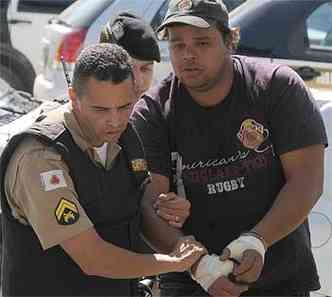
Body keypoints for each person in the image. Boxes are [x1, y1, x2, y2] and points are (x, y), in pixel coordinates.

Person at [130, 0, 328, 296]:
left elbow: (307, 180)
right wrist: (199, 265)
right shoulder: (154, 111)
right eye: (177, 45)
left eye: (202, 42)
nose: (189, 54)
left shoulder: (276, 86)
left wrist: (257, 241)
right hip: (192, 281)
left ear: (230, 40)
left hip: (279, 277)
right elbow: (148, 205)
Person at [0, 43, 207, 297]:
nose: (115, 120)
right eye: (100, 109)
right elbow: (92, 258)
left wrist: (171, 222)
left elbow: (138, 209)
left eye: (124, 107)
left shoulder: (124, 137)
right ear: (74, 97)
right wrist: (173, 262)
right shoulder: (41, 157)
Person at [99, 12, 191, 229]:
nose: (138, 81)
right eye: (129, 68)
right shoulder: (82, 121)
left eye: (146, 68)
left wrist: (169, 208)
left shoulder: (157, 115)